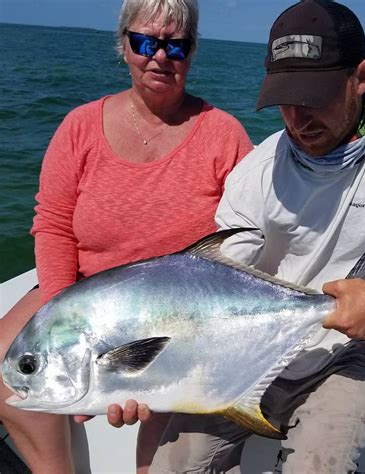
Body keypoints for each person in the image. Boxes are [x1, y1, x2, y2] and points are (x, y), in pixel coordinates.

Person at [118, 1, 365, 472]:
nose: (299, 119)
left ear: (361, 77)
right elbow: (220, 281)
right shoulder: (256, 173)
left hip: (348, 355)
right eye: (286, 99)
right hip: (244, 350)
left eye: (316, 97)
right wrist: (145, 371)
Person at [0, 0, 252, 472]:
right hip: (84, 289)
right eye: (145, 42)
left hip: (185, 307)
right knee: (7, 372)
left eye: (176, 46)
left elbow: (246, 234)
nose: (160, 56)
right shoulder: (79, 127)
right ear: (123, 46)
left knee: (162, 450)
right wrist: (65, 316)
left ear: (193, 52)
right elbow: (53, 223)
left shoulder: (225, 135)